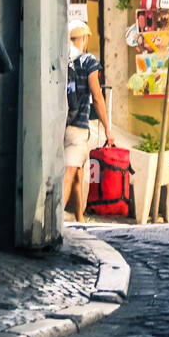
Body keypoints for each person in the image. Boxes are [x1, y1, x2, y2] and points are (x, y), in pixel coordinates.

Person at [65, 19, 114, 222]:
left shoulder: (62, 59)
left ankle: (79, 218)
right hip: (78, 126)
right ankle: (54, 220)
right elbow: (97, 96)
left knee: (78, 171)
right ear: (84, 39)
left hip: (60, 124)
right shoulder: (87, 61)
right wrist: (107, 129)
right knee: (70, 171)